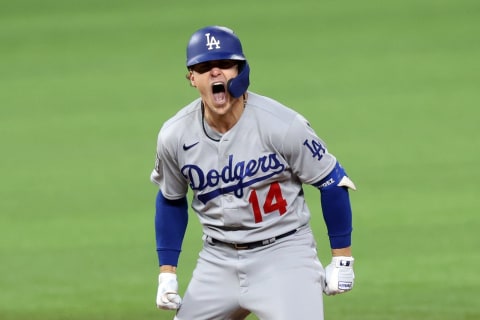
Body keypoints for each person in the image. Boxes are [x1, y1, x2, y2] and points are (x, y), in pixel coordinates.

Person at [150, 25, 357, 320]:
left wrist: (342, 259)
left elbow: (332, 181)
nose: (216, 73)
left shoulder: (282, 125)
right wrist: (166, 273)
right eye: (205, 67)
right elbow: (171, 198)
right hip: (217, 259)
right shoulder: (175, 135)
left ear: (241, 71)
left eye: (225, 64)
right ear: (192, 78)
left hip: (284, 254)